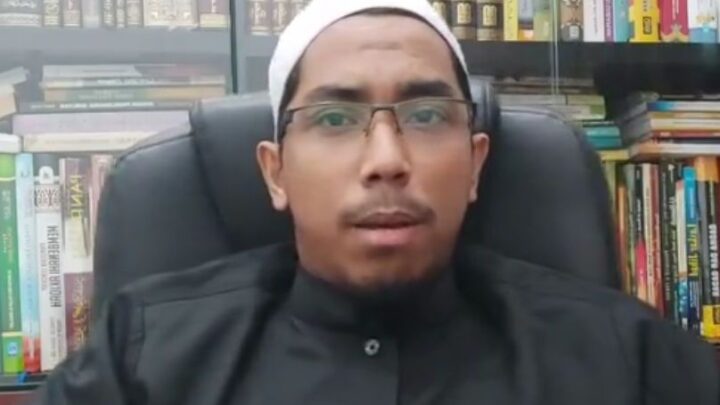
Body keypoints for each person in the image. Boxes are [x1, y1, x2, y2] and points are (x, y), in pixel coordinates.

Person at [30, 0, 719, 404]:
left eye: (426, 116)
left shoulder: (626, 358)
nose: (387, 159)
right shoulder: (141, 357)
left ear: (476, 163)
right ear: (275, 172)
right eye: (335, 119)